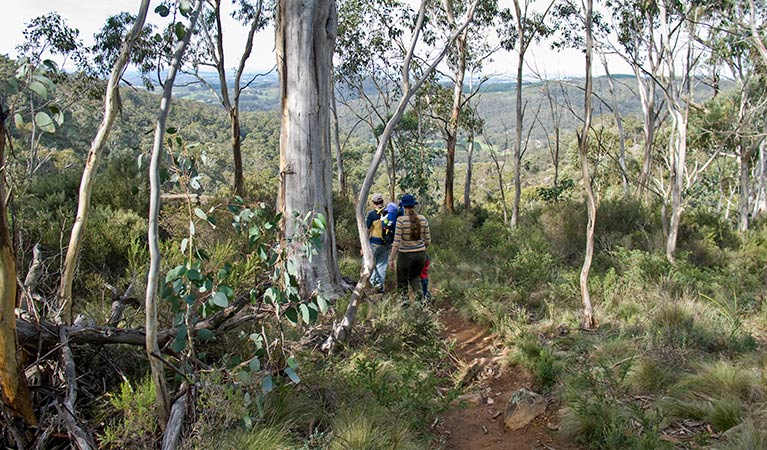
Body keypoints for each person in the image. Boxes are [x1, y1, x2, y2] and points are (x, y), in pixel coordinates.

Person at [388, 194, 431, 305]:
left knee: (402, 282)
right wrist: (421, 249)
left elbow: (396, 242)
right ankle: (419, 301)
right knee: (415, 278)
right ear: (414, 205)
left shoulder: (401, 220)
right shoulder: (423, 219)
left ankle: (404, 304)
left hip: (405, 256)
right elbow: (428, 241)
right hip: (420, 255)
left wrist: (391, 259)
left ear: (403, 207)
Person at [365, 193, 390, 292]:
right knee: (382, 266)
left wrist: (364, 246)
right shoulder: (388, 212)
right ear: (382, 202)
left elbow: (367, 230)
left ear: (373, 203)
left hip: (374, 244)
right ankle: (379, 288)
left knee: (368, 264)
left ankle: (371, 284)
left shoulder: (372, 214)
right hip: (386, 244)